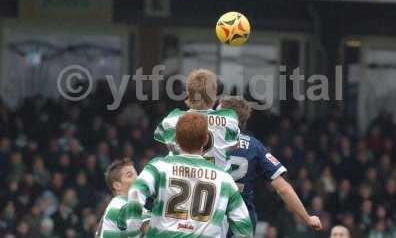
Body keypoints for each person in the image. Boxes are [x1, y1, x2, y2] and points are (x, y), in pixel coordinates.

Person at [119, 112, 253, 237]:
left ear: (176, 137)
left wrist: (133, 230)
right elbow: (244, 227)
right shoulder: (225, 180)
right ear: (206, 140)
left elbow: (136, 192)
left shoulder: (159, 167)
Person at [218, 96, 322, 234]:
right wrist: (307, 218)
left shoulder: (205, 141)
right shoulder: (255, 146)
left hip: (211, 217)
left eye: (216, 112)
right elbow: (283, 188)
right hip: (242, 220)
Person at [154, 69, 240, 171]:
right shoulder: (229, 118)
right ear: (214, 95)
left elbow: (163, 140)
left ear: (188, 94)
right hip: (217, 181)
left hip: (180, 177)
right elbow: (235, 145)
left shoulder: (173, 119)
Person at [96, 158, 149, 238]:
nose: (138, 178)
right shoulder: (119, 206)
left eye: (136, 174)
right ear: (117, 185)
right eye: (130, 175)